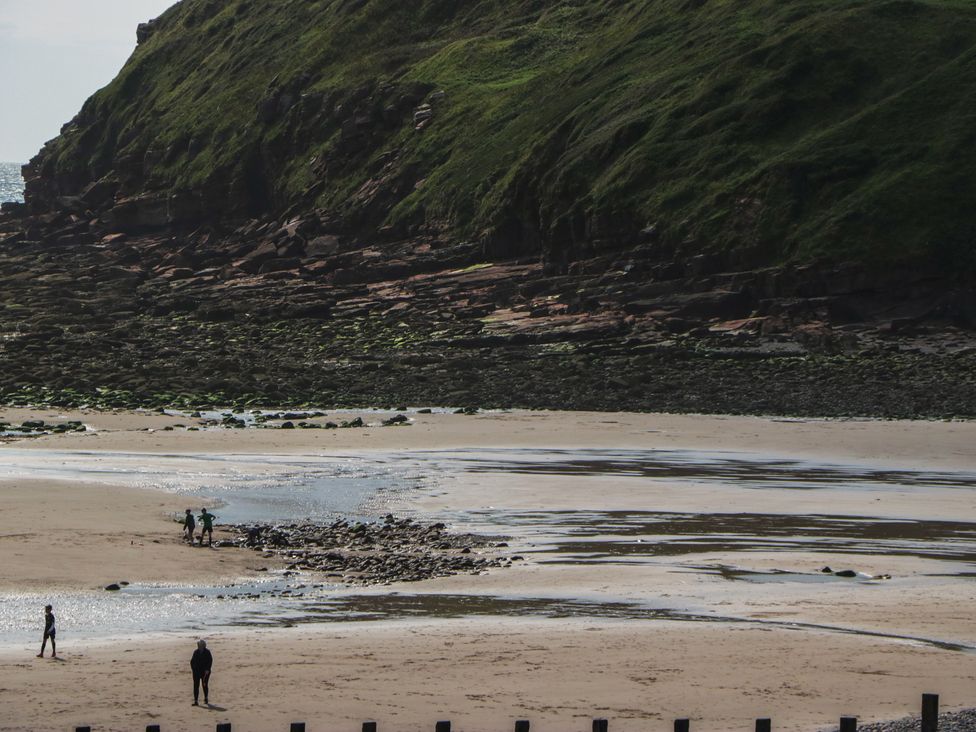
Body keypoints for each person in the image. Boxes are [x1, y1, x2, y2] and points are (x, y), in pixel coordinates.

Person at [190, 639, 213, 706]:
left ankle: (206, 698)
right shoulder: (195, 652)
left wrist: (207, 669)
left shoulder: (207, 652)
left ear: (204, 645)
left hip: (205, 672)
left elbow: (210, 661)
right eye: (198, 645)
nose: (199, 646)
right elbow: (192, 662)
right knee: (196, 686)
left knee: (204, 685)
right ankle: (196, 701)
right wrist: (193, 669)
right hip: (196, 672)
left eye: (200, 645)